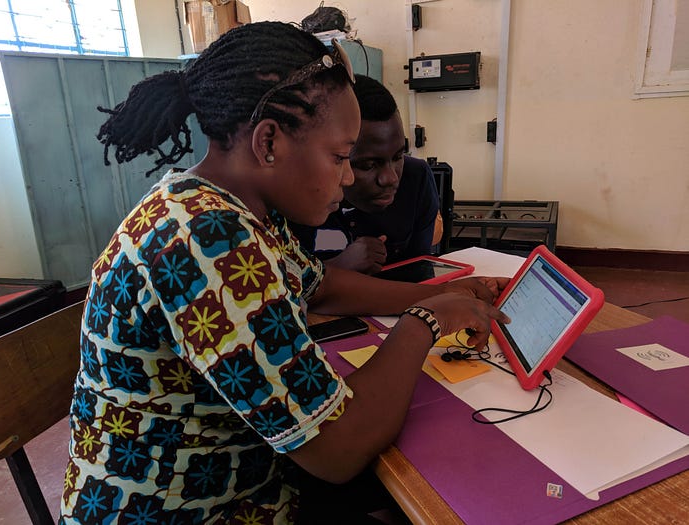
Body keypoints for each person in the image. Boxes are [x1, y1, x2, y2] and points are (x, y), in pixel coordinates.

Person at [59, 21, 509, 525]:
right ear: (268, 141)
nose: (347, 176)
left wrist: (440, 294)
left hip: (243, 475)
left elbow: (324, 287)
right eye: (340, 157)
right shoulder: (209, 240)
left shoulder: (224, 205)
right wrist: (424, 322)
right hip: (191, 510)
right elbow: (337, 450)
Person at [291, 74, 440, 274]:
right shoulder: (297, 199)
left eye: (398, 156)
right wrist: (337, 267)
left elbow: (420, 270)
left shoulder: (416, 178)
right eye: (369, 165)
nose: (391, 178)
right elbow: (288, 283)